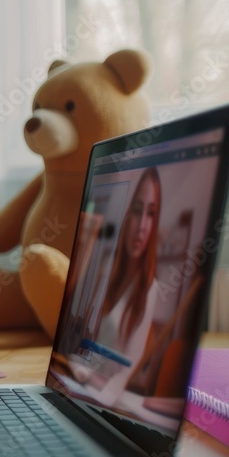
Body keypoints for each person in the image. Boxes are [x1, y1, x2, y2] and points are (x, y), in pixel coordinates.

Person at [70, 167, 163, 402]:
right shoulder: (106, 270)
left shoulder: (149, 290)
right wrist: (74, 370)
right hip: (77, 382)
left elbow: (125, 372)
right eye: (137, 210)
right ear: (127, 214)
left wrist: (99, 397)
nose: (142, 225)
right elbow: (86, 348)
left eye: (151, 214)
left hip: (102, 398)